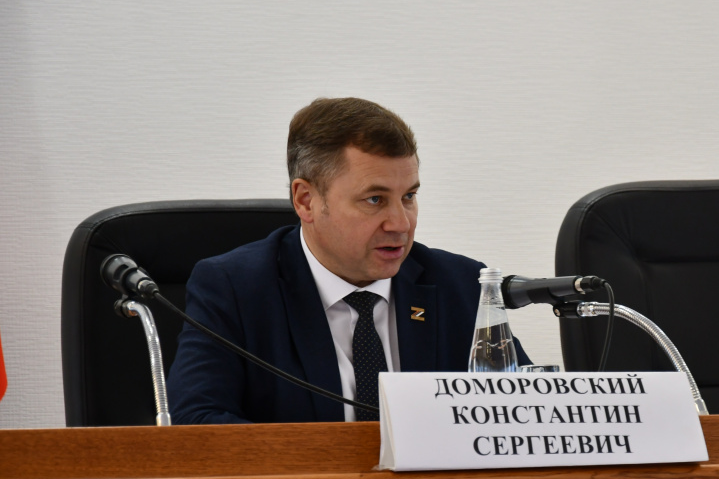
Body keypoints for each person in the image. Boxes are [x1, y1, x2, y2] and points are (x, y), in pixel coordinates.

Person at [168, 97, 529, 423]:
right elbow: (196, 422)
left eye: (408, 196)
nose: (401, 224)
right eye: (375, 199)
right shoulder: (235, 288)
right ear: (306, 201)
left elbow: (523, 413)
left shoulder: (461, 285)